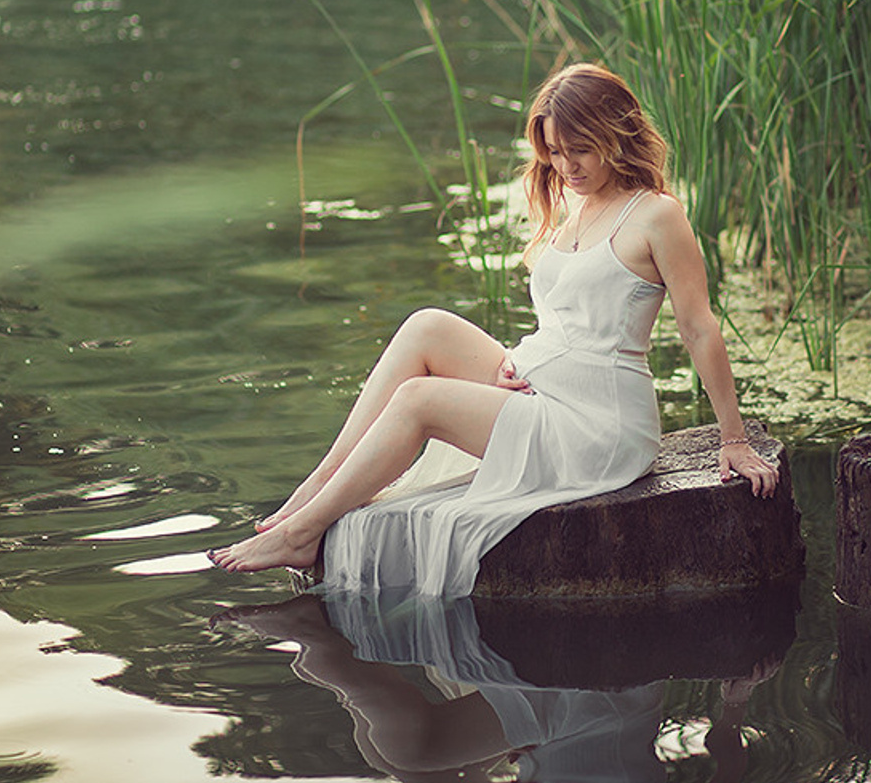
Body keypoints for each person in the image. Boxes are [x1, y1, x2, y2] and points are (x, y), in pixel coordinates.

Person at [208, 62, 779, 593]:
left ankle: (302, 532)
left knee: (418, 401)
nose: (566, 166)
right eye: (555, 152)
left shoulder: (657, 215)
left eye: (581, 150)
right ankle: (306, 500)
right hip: (546, 388)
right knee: (426, 326)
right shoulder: (577, 205)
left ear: (618, 133)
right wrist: (524, 361)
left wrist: (733, 439)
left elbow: (699, 328)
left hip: (601, 427)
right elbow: (566, 322)